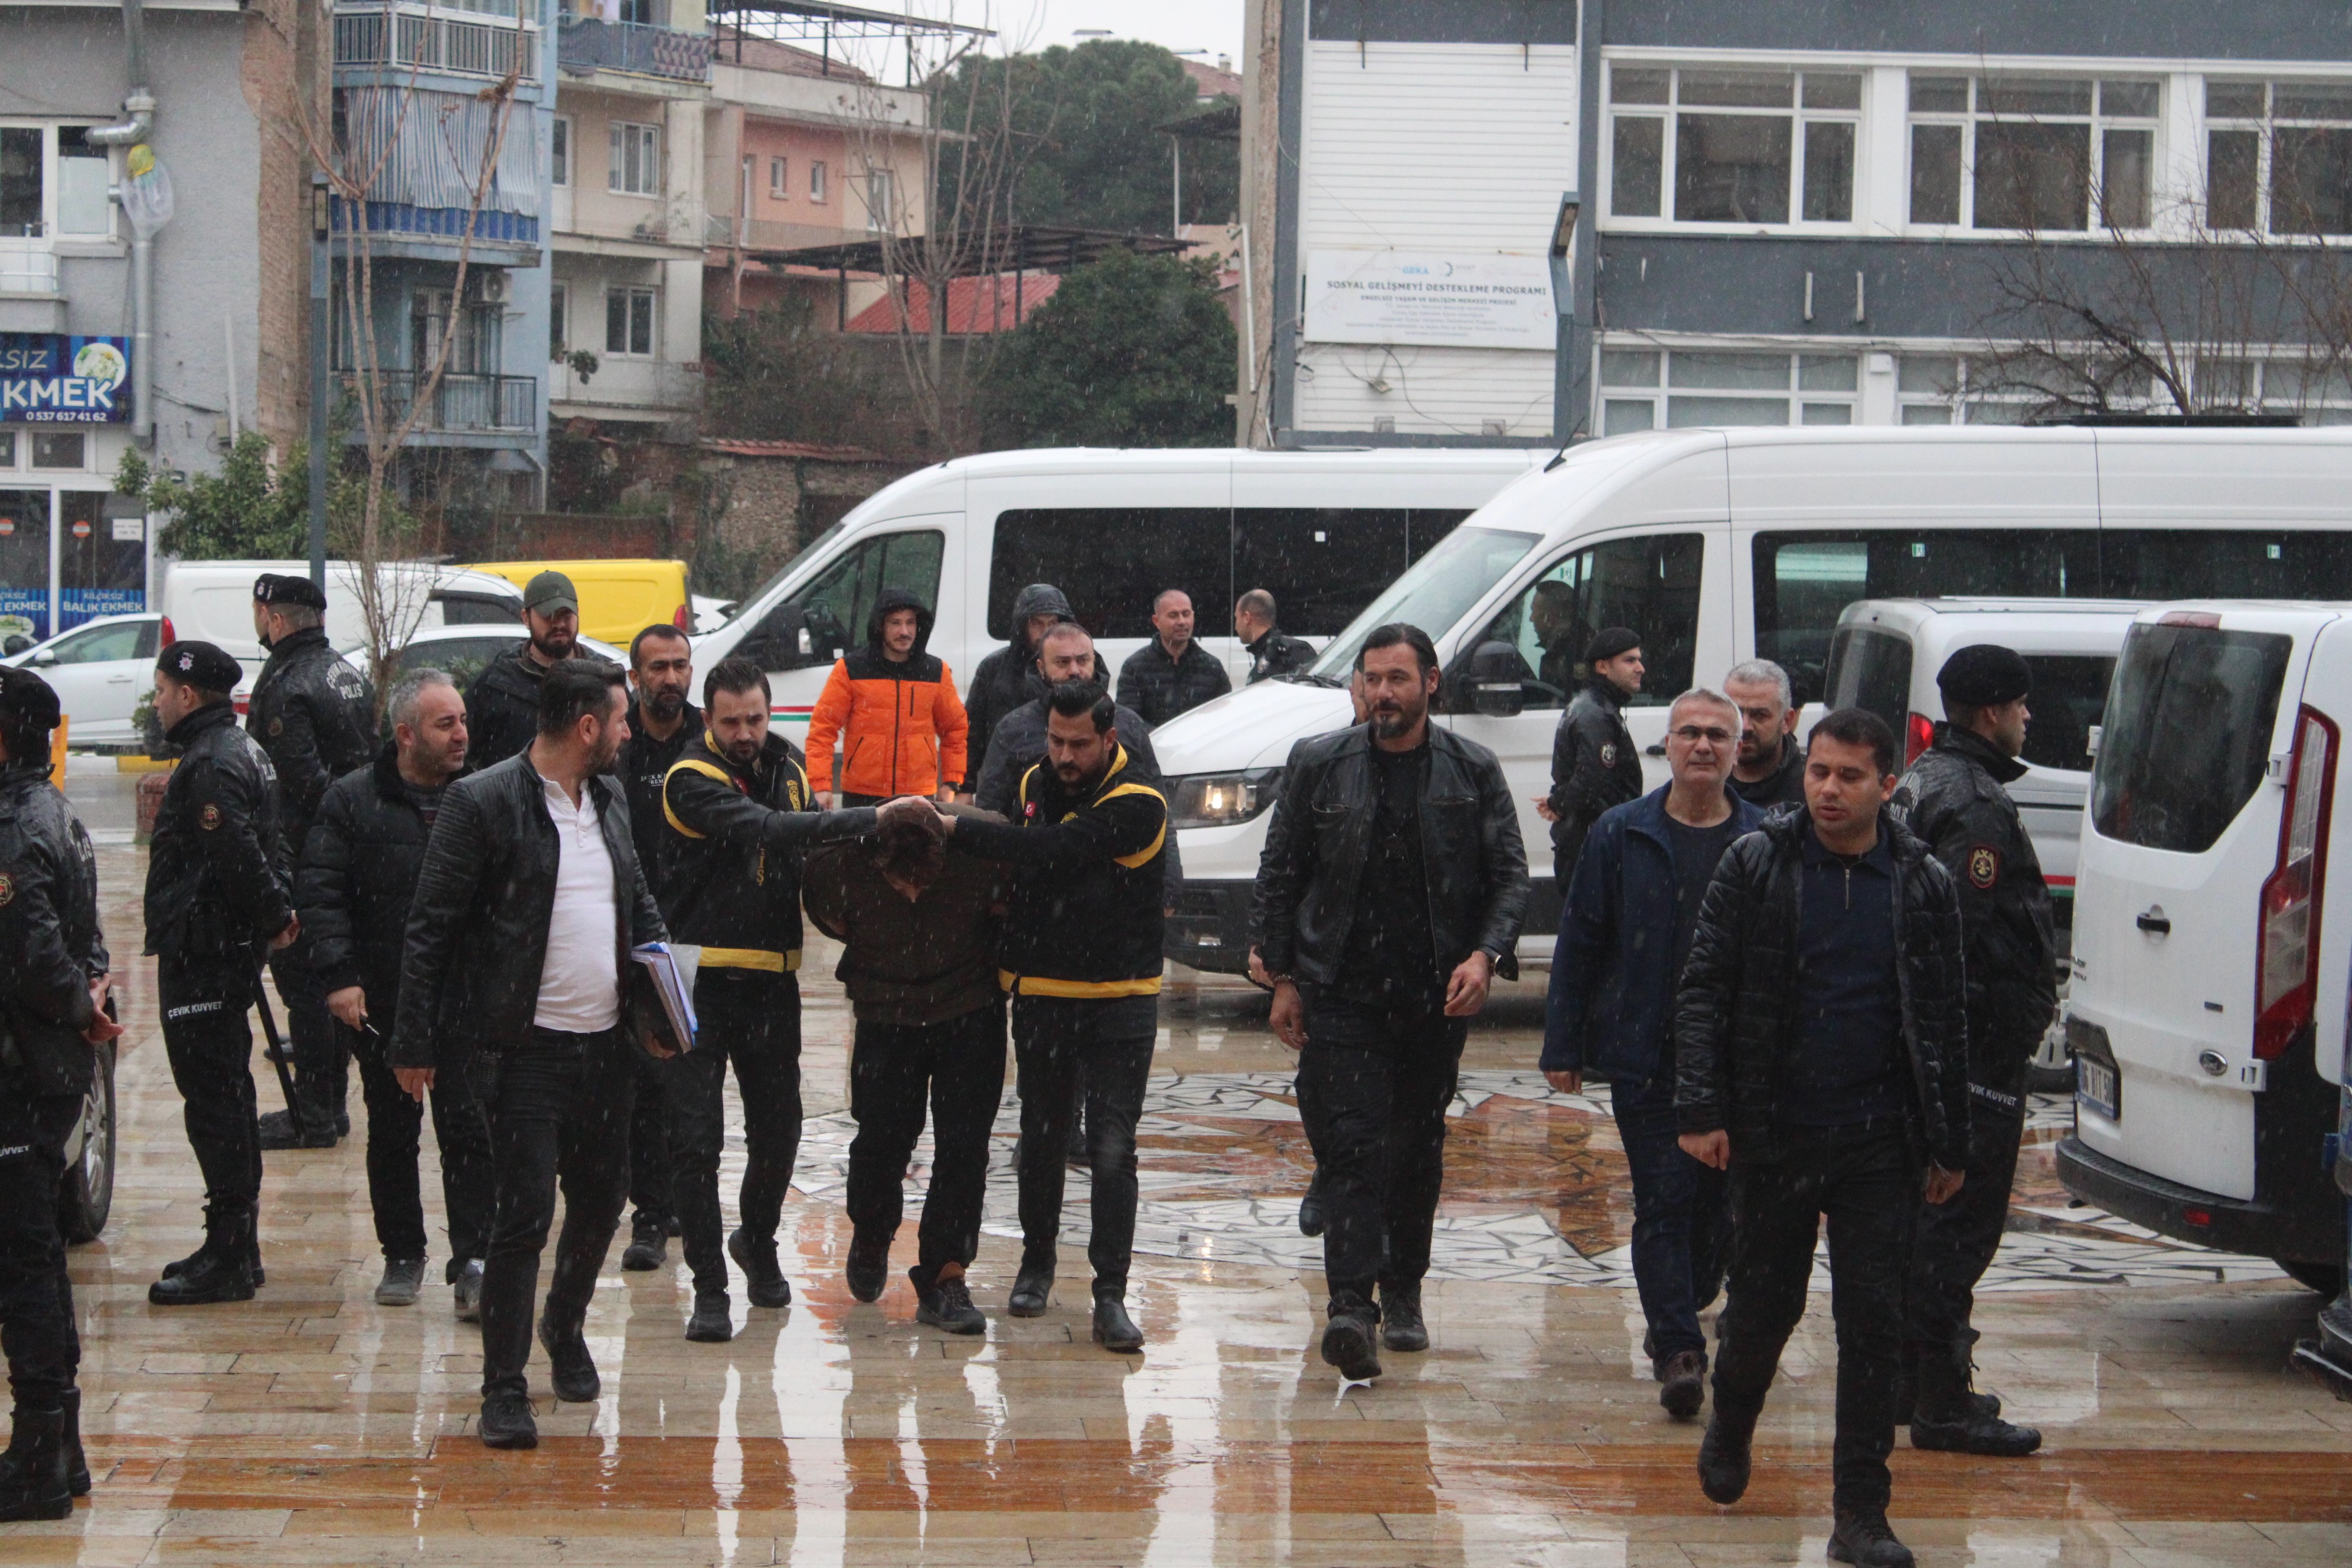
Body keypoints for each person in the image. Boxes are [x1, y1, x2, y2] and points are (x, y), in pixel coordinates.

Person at [1673, 708, 1971, 1568]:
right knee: (1764, 1310)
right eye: (1820, 773)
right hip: (1777, 1134)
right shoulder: (1760, 863)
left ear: (1888, 783)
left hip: (1882, 1141)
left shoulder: (1920, 882)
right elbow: (1702, 991)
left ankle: (1860, 1513)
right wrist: (1701, 1109)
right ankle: (1732, 1423)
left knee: (1875, 1325)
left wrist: (1950, 1145)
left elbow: (1946, 1019)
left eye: (1850, 777)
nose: (1830, 790)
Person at [393, 657, 668, 1451]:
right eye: (618, 720)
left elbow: (640, 908)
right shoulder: (481, 803)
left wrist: (667, 1013)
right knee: (524, 1218)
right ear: (587, 727)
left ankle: (565, 1322)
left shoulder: (609, 798)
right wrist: (412, 1042)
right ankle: (503, 1387)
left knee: (601, 1200)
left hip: (607, 1048)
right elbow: (430, 930)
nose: (626, 732)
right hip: (520, 1054)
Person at [1253, 623, 1528, 1383]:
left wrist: (1484, 954)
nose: (1383, 693)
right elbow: (1280, 871)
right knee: (1352, 1145)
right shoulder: (1320, 764)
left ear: (1431, 683)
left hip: (1433, 994)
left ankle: (1403, 1288)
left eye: (1398, 679)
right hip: (1342, 989)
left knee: (1415, 1147)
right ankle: (1350, 1304)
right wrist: (1280, 975)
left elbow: (1511, 874)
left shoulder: (1472, 769)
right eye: (1371, 679)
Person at [932, 682, 1172, 1353]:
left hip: (1120, 998)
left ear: (1110, 740)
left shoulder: (1138, 803)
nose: (1065, 755)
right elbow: (1028, 867)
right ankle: (1036, 1265)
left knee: (1112, 1146)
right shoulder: (1034, 780)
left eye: (1079, 744)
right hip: (1042, 993)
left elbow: (1053, 853)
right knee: (1039, 1138)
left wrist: (956, 826)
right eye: (1057, 741)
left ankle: (1110, 1292)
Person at [1543, 690, 1761, 1419]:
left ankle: (1692, 1296)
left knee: (1718, 1212)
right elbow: (1581, 942)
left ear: (1739, 750)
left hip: (1737, 1060)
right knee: (1664, 1199)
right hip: (1644, 1051)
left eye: (1718, 736)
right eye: (1690, 733)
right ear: (1665, 746)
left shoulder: (1765, 839)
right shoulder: (1620, 832)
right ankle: (1678, 1349)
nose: (1703, 746)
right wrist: (1565, 1041)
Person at [659, 657, 877, 1340]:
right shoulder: (688, 777)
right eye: (731, 721)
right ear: (708, 720)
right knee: (697, 1143)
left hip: (773, 981)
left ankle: (756, 1239)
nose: (746, 731)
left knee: (779, 1132)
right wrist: (868, 818)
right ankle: (709, 1286)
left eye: (755, 717)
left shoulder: (788, 766)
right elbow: (763, 830)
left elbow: (806, 854)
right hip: (696, 979)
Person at [1890, 645, 2054, 1458]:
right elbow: (1950, 941)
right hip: (1973, 1061)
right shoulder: (1977, 806)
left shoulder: (1926, 778)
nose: (2029, 720)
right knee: (1956, 1230)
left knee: (1927, 1226)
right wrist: (1961, 1069)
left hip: (1950, 1055)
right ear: (1990, 712)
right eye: (2021, 706)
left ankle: (1908, 1381)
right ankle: (1943, 1401)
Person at [297, 669, 495, 1316]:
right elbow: (322, 890)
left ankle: (475, 1257)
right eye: (447, 724)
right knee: (392, 1130)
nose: (462, 733)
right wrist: (339, 975)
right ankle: (402, 1251)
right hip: (383, 999)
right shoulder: (352, 801)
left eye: (463, 720)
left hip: (470, 997)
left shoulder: (487, 795)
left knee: (469, 1130)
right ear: (407, 735)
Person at [803, 803, 1008, 1334]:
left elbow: (1016, 898)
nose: (914, 894)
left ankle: (945, 1275)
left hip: (969, 1009)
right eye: (902, 885)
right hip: (884, 1012)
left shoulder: (986, 848)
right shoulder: (839, 862)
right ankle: (871, 1234)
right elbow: (826, 913)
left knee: (965, 1148)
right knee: (880, 1142)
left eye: (926, 884)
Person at [144, 641, 301, 1307]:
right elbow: (277, 838)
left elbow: (237, 847)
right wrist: (276, 910)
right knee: (226, 1098)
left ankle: (230, 1254)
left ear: (186, 693)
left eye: (160, 691)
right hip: (217, 950)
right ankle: (237, 1244)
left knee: (215, 1103)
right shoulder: (239, 751)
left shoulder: (210, 762)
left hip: (204, 954)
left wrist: (272, 914)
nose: (155, 703)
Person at [0, 668, 118, 1521]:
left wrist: (79, 1005)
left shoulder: (12, 827)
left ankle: (40, 1454)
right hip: (46, 1067)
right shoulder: (56, 814)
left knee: (23, 1266)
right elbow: (89, 938)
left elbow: (35, 955)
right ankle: (59, 1445)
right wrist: (92, 999)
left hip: (18, 1071)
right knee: (35, 1255)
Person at [247, 573, 377, 1150]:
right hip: (354, 851)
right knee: (333, 978)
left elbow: (295, 782)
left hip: (307, 856)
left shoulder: (286, 683)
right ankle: (329, 1105)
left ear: (275, 618)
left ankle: (315, 1113)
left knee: (306, 985)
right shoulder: (348, 673)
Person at [614, 624, 698, 1274]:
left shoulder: (709, 739)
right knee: (642, 1082)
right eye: (658, 667)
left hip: (698, 933)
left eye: (680, 665)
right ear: (636, 676)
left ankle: (690, 1205)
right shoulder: (616, 745)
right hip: (629, 932)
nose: (670, 677)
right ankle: (648, 1212)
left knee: (688, 1079)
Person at [975, 623, 1168, 819]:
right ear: (1041, 668)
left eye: (1083, 660)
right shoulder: (1013, 729)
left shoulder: (1127, 724)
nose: (1075, 671)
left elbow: (1159, 803)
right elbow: (990, 811)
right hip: (1033, 845)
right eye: (1062, 662)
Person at [806, 587, 968, 808]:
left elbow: (955, 730)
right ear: (880, 626)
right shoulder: (851, 669)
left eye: (910, 623)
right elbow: (822, 730)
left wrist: (951, 782)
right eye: (895, 623)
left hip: (918, 795)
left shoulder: (935, 672)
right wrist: (821, 786)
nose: (904, 631)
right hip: (861, 794)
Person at [1539, 628, 1645, 890]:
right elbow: (1591, 780)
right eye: (1629, 660)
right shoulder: (1596, 715)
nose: (1640, 668)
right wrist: (1558, 803)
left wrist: (1558, 802)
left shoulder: (1594, 707)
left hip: (1594, 840)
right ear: (1602, 667)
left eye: (1639, 659)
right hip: (1594, 843)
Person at [465, 571, 583, 769]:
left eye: (566, 615)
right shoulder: (497, 682)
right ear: (526, 618)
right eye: (550, 616)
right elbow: (464, 752)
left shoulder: (602, 678)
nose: (560, 624)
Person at [963, 583, 1071, 795]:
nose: (1046, 631)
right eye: (1037, 624)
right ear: (1023, 626)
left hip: (1059, 780)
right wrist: (965, 787)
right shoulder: (994, 668)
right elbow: (971, 731)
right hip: (1004, 778)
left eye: (1052, 623)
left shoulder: (1074, 667)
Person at [1117, 589, 1230, 727]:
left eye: (1186, 614)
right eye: (1173, 615)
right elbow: (1128, 722)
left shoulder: (1212, 667)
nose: (1182, 621)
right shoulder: (1135, 667)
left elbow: (1226, 717)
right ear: (1156, 621)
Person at [1724, 659, 1807, 811]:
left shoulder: (1811, 786)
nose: (1745, 727)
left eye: (1760, 715)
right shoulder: (1704, 780)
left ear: (1786, 721)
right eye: (1736, 713)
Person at [1234, 590, 1315, 684]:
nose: (1236, 626)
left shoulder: (1279, 655)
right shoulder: (1296, 649)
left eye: (1237, 618)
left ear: (1247, 618)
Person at [1530, 582, 1588, 695]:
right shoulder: (1582, 641)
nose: (1531, 619)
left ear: (1548, 618)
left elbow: (1551, 701)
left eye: (1533, 611)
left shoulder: (1566, 654)